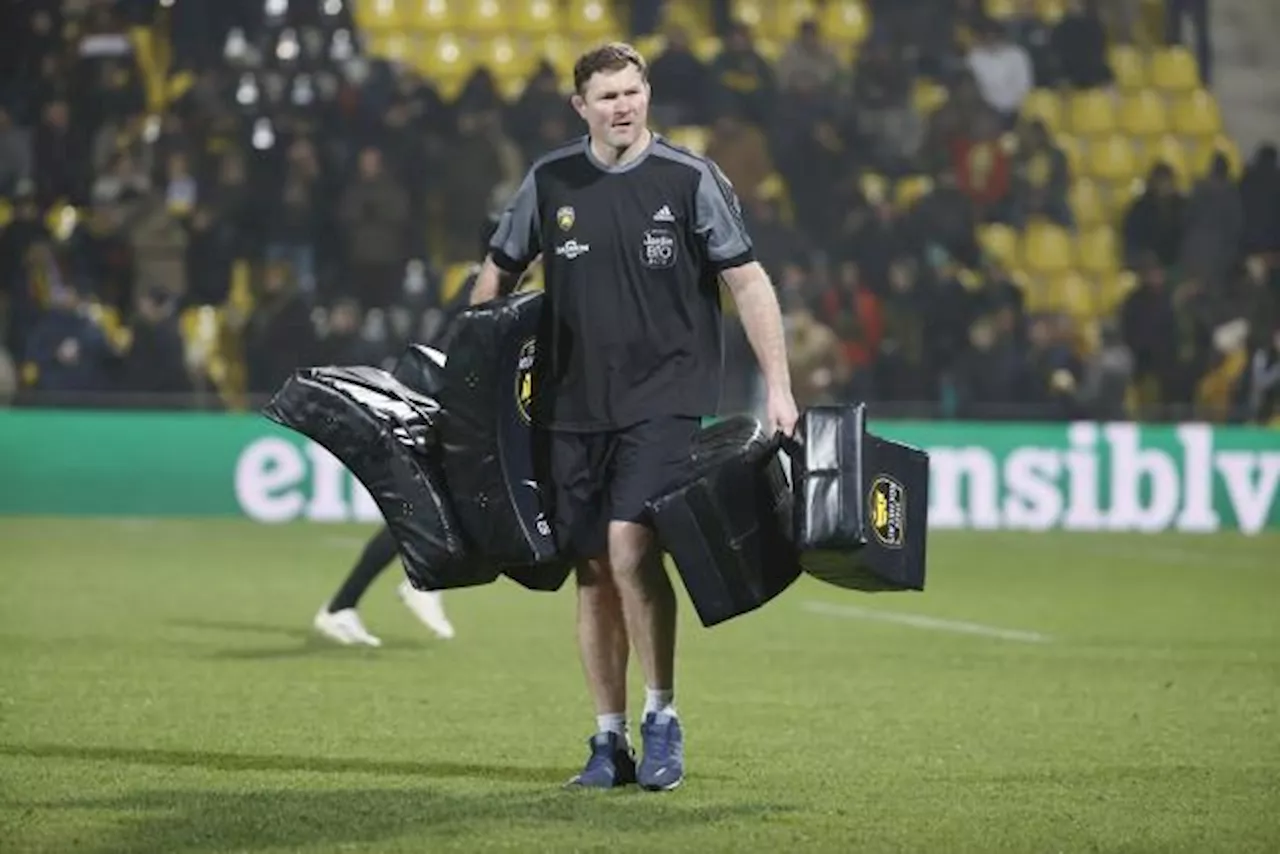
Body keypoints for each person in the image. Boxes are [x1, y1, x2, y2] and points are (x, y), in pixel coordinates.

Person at [470, 42, 798, 792]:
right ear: (579, 106)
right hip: (570, 403)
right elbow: (498, 271)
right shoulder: (550, 180)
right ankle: (607, 740)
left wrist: (777, 386)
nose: (623, 106)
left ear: (647, 94)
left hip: (667, 397)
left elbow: (747, 282)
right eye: (607, 96)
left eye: (632, 91)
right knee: (590, 573)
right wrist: (467, 373)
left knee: (627, 548)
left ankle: (663, 719)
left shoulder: (688, 180)